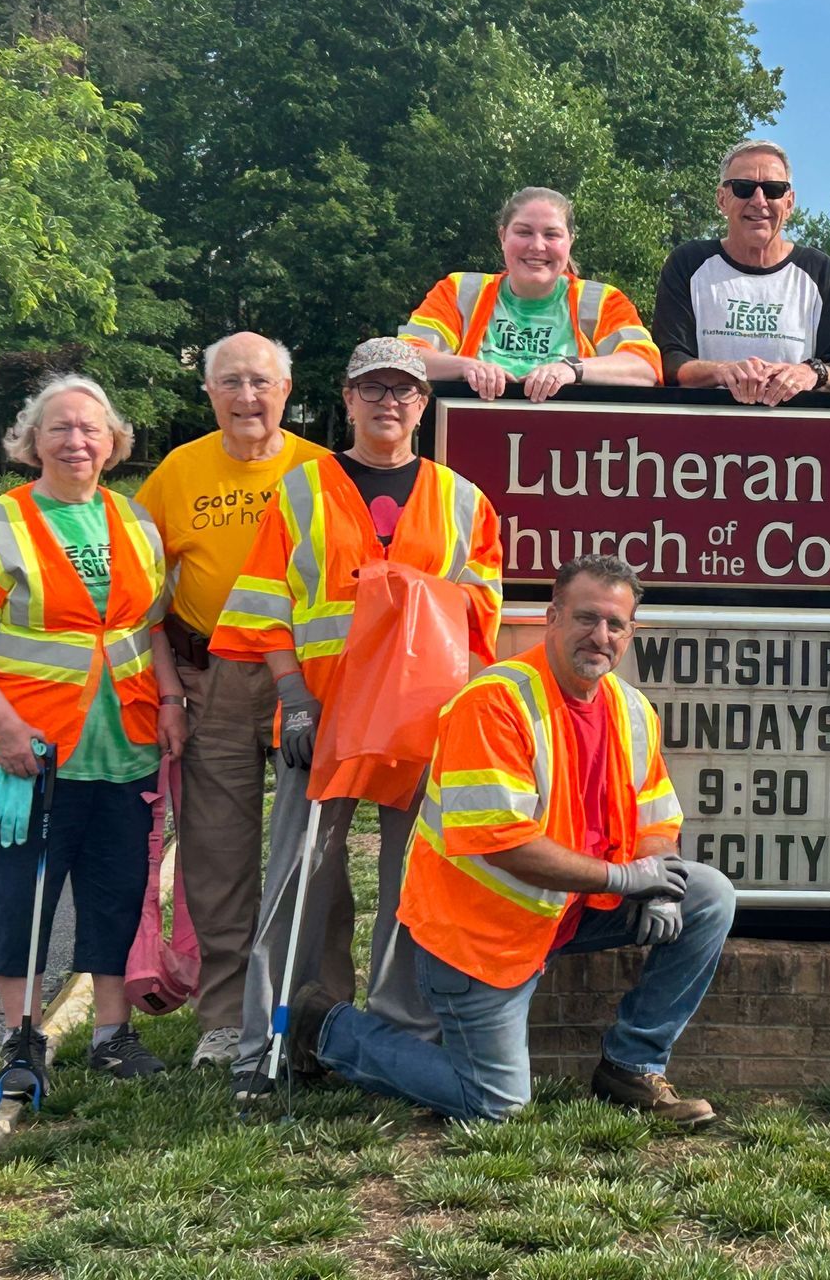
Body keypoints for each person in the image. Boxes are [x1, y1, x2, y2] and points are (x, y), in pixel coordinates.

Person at [278, 555, 734, 1128]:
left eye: (616, 624)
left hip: (564, 911)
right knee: (495, 1105)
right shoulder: (494, 702)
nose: (601, 636)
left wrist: (659, 883)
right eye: (586, 618)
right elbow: (502, 842)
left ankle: (632, 1064)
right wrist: (625, 878)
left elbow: (656, 817)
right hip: (479, 936)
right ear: (552, 617)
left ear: (631, 633)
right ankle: (326, 1027)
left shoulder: (631, 709)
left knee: (707, 895)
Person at [209, 337, 504, 1098]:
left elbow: (481, 612)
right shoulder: (302, 491)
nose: (389, 403)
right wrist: (293, 697)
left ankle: (396, 1042)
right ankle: (271, 1045)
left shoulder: (463, 500)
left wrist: (400, 588)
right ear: (347, 399)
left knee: (416, 883)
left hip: (419, 718)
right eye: (373, 389)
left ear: (423, 404)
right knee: (299, 876)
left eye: (404, 390)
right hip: (323, 715)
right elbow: (266, 603)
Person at [0, 374, 188, 1095]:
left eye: (91, 429)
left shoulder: (134, 521)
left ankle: (111, 1035)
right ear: (32, 440)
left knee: (118, 889)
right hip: (26, 753)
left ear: (113, 442)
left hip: (124, 744)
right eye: (59, 428)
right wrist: (4, 728)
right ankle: (22, 1038)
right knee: (21, 892)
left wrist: (170, 699)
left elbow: (152, 625)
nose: (76, 442)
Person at [133, 332, 335, 1070]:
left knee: (315, 851)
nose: (247, 398)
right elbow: (142, 600)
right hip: (209, 681)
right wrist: (168, 692)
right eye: (230, 383)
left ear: (287, 390)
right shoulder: (177, 474)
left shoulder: (323, 472)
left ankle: (316, 1010)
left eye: (260, 382)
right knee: (217, 856)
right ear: (209, 392)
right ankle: (223, 1017)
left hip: (305, 684)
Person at [400, 187, 659, 401]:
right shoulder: (458, 290)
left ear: (570, 240)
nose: (537, 246)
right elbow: (404, 357)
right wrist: (467, 367)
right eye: (524, 232)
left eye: (552, 235)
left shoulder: (603, 300)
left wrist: (572, 369)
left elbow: (645, 367)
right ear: (502, 236)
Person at [653, 139, 830, 405]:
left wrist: (810, 373)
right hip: (704, 428)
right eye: (744, 188)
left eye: (773, 189)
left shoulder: (819, 270)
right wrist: (724, 372)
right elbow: (669, 361)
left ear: (789, 203)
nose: (759, 201)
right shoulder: (687, 264)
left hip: (797, 430)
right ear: (722, 199)